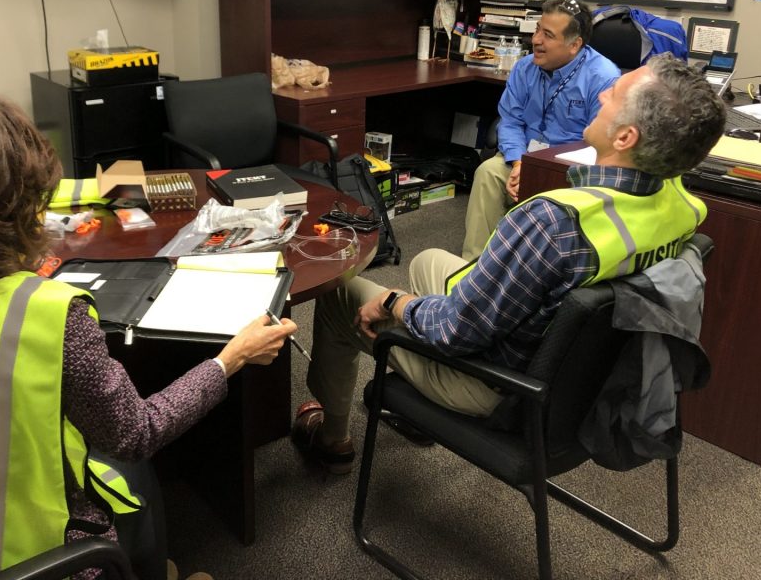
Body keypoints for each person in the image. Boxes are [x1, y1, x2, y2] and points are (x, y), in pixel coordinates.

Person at [0, 84, 297, 580]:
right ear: (5, 204)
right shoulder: (41, 315)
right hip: (42, 562)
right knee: (129, 473)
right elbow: (135, 433)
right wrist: (230, 359)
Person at [293, 54, 725, 473]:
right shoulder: (682, 206)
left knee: (341, 297)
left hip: (498, 384)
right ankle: (415, 406)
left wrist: (392, 302)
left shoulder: (553, 222)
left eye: (613, 95)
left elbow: (454, 331)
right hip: (574, 377)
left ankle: (332, 442)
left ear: (625, 137)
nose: (600, 96)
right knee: (428, 261)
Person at [462, 0, 621, 261]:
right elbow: (510, 121)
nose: (536, 40)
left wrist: (543, 169)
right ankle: (472, 267)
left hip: (568, 169)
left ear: (575, 45)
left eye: (547, 35)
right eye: (537, 30)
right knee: (488, 173)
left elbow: (598, 145)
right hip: (522, 157)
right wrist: (517, 163)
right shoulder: (525, 67)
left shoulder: (602, 78)